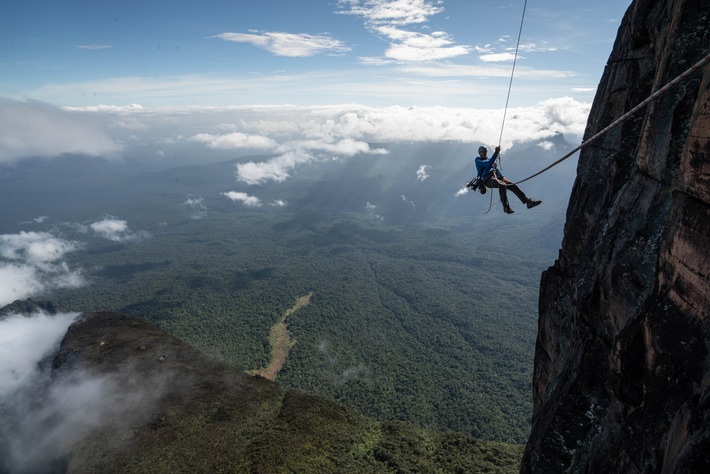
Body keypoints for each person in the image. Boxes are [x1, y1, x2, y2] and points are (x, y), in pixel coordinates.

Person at [474, 145, 541, 214]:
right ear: (479, 153)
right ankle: (506, 207)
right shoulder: (478, 160)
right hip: (487, 180)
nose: (484, 153)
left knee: (512, 185)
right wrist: (495, 153)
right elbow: (488, 164)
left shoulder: (489, 160)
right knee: (502, 185)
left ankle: (528, 202)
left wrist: (502, 177)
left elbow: (496, 169)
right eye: (482, 152)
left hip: (495, 177)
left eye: (485, 152)